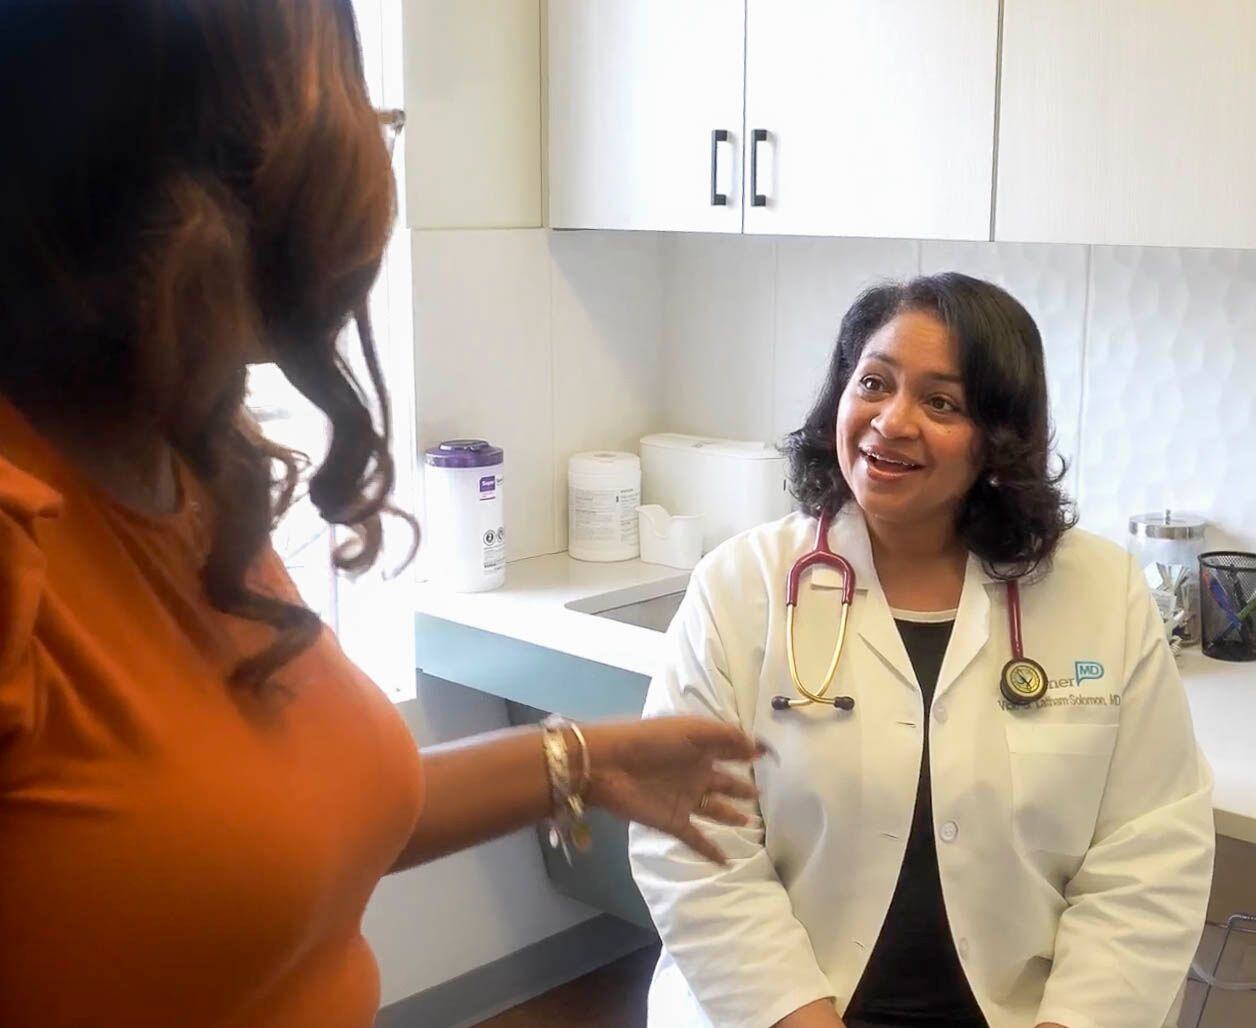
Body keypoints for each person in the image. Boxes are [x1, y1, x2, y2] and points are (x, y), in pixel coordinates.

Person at [0, 3, 763, 1026]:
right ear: (183, 166)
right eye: (349, 100)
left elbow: (274, 825)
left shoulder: (185, 472)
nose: (379, 140)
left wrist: (587, 756)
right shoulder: (23, 535)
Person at [629, 274, 1215, 1028]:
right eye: (873, 383)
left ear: (998, 439)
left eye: (941, 402)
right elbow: (690, 839)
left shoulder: (1101, 593)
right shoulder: (740, 586)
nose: (891, 421)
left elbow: (1151, 851)